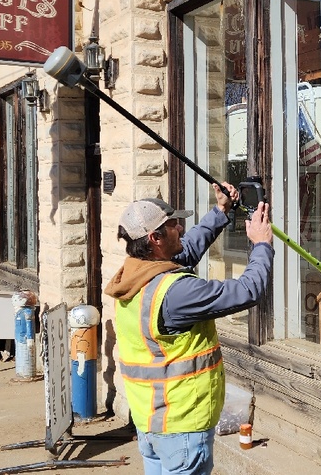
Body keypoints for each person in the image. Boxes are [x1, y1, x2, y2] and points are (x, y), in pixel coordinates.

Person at [106, 182, 273, 475]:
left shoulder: (135, 273)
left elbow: (187, 250)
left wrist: (221, 211)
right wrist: (261, 244)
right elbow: (248, 291)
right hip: (181, 427)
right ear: (155, 238)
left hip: (152, 422)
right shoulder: (176, 293)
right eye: (173, 225)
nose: (181, 228)